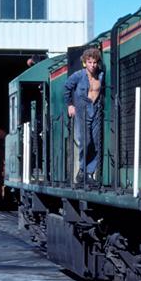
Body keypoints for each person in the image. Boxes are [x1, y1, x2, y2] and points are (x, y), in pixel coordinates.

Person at [64, 47, 104, 184]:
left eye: (94, 62)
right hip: (82, 109)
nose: (92, 65)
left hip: (96, 109)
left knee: (95, 142)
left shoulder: (101, 75)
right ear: (85, 62)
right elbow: (67, 87)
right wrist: (70, 105)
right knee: (85, 141)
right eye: (90, 62)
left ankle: (89, 173)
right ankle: (82, 170)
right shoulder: (78, 75)